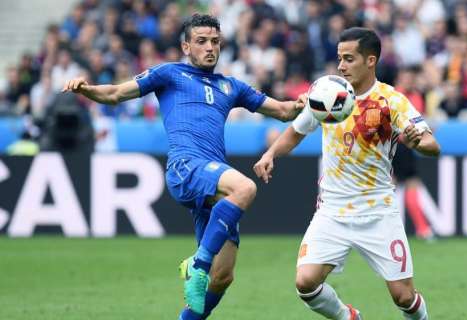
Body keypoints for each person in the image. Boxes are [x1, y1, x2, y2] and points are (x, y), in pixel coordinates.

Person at [62, 14, 305, 319]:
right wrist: (86, 89)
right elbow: (115, 94)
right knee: (244, 188)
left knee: (223, 276)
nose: (210, 48)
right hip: (186, 167)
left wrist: (304, 104)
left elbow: (282, 111)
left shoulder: (231, 86)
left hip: (213, 183)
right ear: (186, 46)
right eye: (201, 41)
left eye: (215, 42)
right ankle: (197, 263)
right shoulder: (169, 74)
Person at [254, 27, 440, 320]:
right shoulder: (328, 92)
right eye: (339, 58)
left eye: (349, 59)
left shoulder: (391, 100)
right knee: (305, 282)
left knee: (403, 296)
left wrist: (421, 142)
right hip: (333, 210)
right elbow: (296, 131)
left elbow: (431, 144)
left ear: (370, 60)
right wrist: (270, 154)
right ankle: (347, 317)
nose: (341, 65)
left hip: (378, 210)